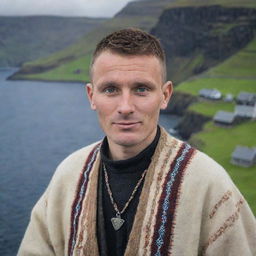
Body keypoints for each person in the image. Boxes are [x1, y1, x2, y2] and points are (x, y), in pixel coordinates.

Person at [18, 28, 256, 256]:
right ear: (92, 96)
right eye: (110, 89)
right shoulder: (68, 174)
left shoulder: (208, 182)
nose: (125, 107)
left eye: (141, 89)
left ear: (165, 95)